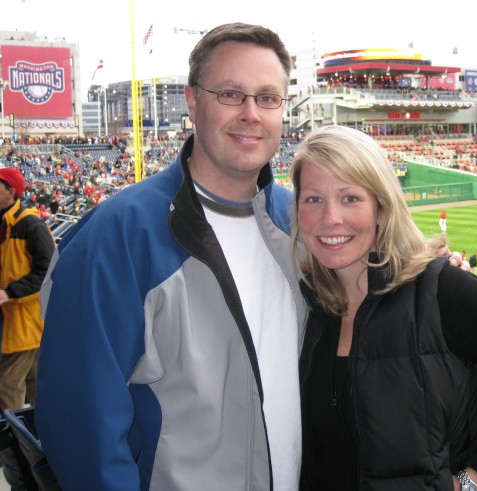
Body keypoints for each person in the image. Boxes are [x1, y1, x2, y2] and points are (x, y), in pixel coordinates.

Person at [36, 23, 308, 491]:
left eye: (267, 98)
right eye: (230, 93)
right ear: (192, 101)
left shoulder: (301, 222)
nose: (250, 113)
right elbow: (82, 427)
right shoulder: (116, 236)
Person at [290, 125, 477, 491]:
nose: (330, 218)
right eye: (313, 199)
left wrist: (472, 480)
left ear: (381, 207)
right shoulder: (305, 305)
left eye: (350, 197)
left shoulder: (446, 290)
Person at [0, 167, 55, 410]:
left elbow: (48, 270)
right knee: (36, 382)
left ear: (10, 192)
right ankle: (42, 438)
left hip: (26, 320)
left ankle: (17, 443)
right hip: (12, 319)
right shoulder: (5, 222)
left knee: (8, 383)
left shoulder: (31, 224)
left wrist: (9, 292)